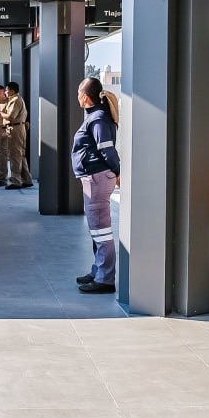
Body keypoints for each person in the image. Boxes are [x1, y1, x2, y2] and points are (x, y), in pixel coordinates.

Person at [72, 77, 120, 294]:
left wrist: (117, 172)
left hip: (97, 179)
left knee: (101, 231)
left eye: (78, 93)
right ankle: (98, 270)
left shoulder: (98, 118)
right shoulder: (95, 116)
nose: (77, 97)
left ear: (85, 97)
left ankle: (105, 279)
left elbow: (107, 150)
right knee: (96, 229)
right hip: (93, 179)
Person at [1, 81, 32, 189]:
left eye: (6, 90)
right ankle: (26, 179)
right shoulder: (16, 99)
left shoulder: (15, 100)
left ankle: (16, 181)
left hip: (15, 129)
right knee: (20, 154)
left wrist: (0, 112)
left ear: (12, 91)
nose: (5, 92)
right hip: (18, 128)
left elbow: (10, 116)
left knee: (15, 155)